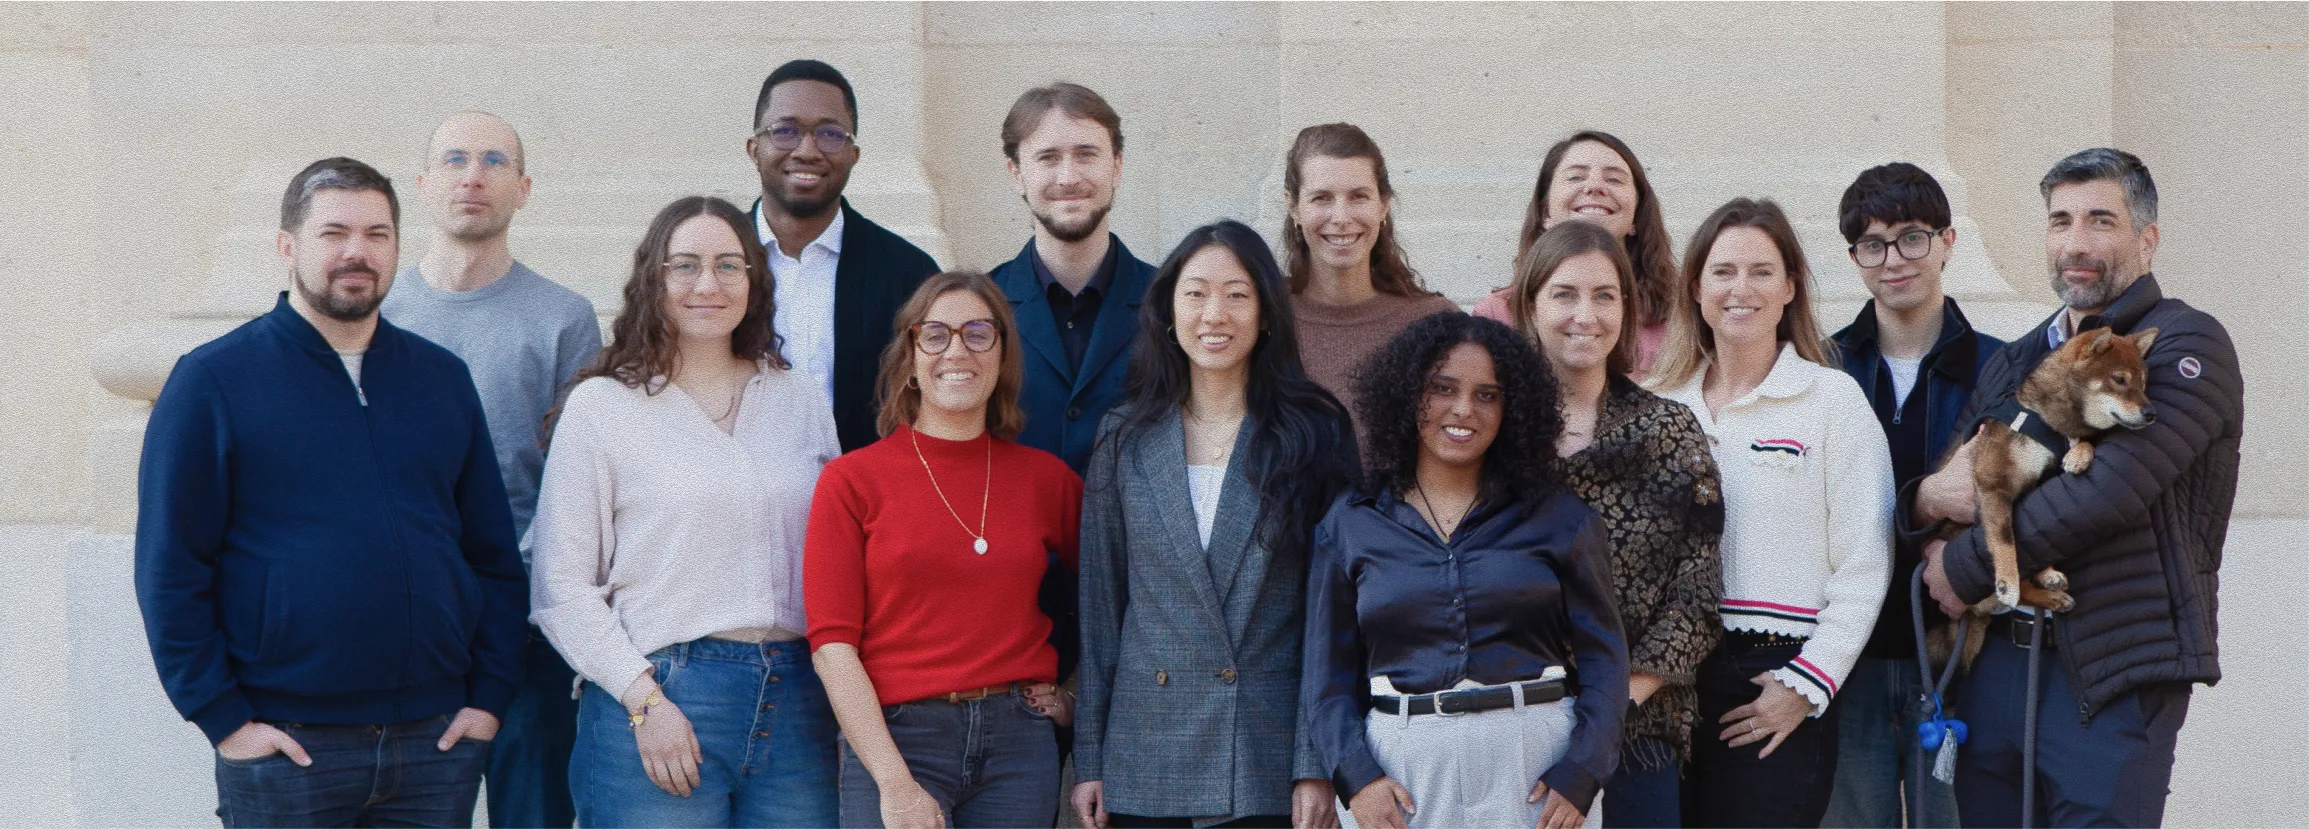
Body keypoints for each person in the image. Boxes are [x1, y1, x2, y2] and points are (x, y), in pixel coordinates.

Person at [135, 157, 526, 828]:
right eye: (333, 232)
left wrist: (488, 696)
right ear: (288, 247)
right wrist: (224, 719)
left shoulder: (440, 378)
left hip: (433, 744)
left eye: (377, 234)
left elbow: (492, 552)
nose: (357, 251)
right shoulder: (213, 382)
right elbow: (170, 568)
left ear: (397, 247)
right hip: (288, 744)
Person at [1908, 148, 2242, 828]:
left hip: (2111, 675)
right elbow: (1964, 480)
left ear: (2144, 239)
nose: (2075, 243)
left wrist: (1964, 565)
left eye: (2099, 220)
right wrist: (1922, 509)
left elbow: (2105, 496)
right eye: (2059, 221)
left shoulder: (2186, 344)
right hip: (1996, 668)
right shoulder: (2016, 357)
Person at [530, 196, 840, 827]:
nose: (708, 284)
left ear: (754, 282)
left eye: (730, 265)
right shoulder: (603, 408)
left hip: (800, 699)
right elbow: (560, 586)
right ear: (654, 280)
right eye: (686, 265)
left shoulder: (799, 399)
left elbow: (838, 557)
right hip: (661, 689)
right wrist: (643, 700)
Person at [1073, 220, 1356, 829]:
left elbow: (1330, 611)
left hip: (1264, 745)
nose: (1214, 314)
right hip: (1145, 745)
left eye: (1236, 294)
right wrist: (1091, 756)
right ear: (1169, 312)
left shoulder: (1314, 433)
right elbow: (1101, 608)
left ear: (1266, 313)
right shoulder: (1124, 438)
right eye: (1196, 293)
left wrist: (1314, 760)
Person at [1304, 312, 1628, 829]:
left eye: (1487, 395)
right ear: (1408, 396)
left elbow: (1606, 661)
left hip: (1536, 766)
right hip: (1402, 770)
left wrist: (1583, 772)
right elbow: (1327, 678)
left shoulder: (1559, 518)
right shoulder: (1351, 523)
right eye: (1442, 388)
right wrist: (1356, 778)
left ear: (1512, 409)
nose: (1463, 410)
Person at [380, 110, 602, 829]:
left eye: (494, 161)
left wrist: (517, 592)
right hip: (403, 618)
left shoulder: (564, 318)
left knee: (532, 814)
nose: (473, 175)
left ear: (523, 187)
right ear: (422, 183)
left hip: (524, 626)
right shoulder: (376, 309)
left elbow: (574, 481)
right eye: (454, 159)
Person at [1648, 197, 1892, 828]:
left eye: (1761, 272)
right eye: (1723, 272)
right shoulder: (1661, 408)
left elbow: (1867, 565)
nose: (1741, 289)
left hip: (1773, 678)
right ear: (1696, 288)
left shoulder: (1830, 400)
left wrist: (1806, 686)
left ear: (1789, 288)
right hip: (1666, 686)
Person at [805, 272, 1082, 828]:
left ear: (1002, 355)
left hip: (1018, 747)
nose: (957, 349)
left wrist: (1078, 692)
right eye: (935, 335)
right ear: (909, 358)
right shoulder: (851, 481)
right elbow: (833, 647)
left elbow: (1122, 595)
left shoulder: (1045, 481)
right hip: (900, 739)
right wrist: (893, 781)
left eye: (979, 333)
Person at [1503, 220, 1725, 829]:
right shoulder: (1492, 436)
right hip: (1510, 728)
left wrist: (1613, 702)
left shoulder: (1670, 431)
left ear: (1627, 310)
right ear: (1530, 306)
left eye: (1605, 295)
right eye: (1564, 294)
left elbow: (1698, 593)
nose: (1586, 314)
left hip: (1636, 731)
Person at [1818, 162, 2001, 829]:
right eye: (1873, 243)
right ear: (1853, 258)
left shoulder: (2002, 368)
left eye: (1910, 237)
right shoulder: (1821, 368)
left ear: (1947, 241)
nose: (1892, 259)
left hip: (1964, 662)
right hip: (1847, 663)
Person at [747, 58, 941, 452]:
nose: (807, 150)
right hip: (732, 503)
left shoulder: (909, 275)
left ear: (853, 153)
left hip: (865, 505)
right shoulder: (710, 262)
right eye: (785, 131)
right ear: (754, 148)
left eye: (830, 134)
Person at [990, 82, 1157, 475]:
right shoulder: (982, 307)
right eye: (1047, 158)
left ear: (1116, 166)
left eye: (1086, 155)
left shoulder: (1171, 303)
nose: (1068, 177)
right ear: (1016, 173)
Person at [1280, 123, 1458, 435]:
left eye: (1358, 196)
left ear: (1383, 205)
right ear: (1293, 207)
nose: (1341, 217)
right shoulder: (1264, 318)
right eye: (1321, 198)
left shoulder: (1434, 323)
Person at [1474, 130, 1679, 378]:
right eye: (1575, 177)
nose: (1594, 187)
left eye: (1614, 179)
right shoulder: (1498, 314)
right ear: (1544, 211)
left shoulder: (1679, 317)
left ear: (1637, 215)